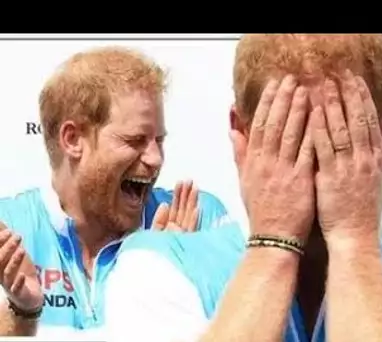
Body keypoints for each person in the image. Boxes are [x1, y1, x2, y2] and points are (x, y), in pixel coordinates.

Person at [105, 34, 382, 342]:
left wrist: (354, 240)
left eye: (341, 141)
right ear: (241, 135)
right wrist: (272, 242)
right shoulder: (155, 268)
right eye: (290, 138)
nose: (314, 169)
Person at [0, 47, 231, 338]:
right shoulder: (9, 229)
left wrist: (172, 289)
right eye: (135, 140)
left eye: (159, 140)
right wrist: (22, 312)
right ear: (73, 140)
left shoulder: (200, 221)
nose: (155, 158)